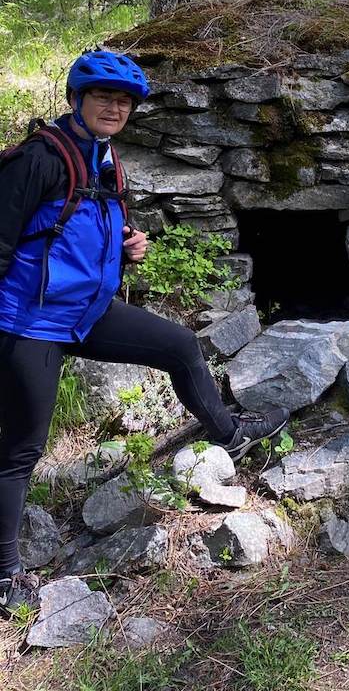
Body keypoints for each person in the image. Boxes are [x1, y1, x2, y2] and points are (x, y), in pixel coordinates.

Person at [0, 50, 289, 616]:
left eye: (124, 101)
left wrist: (127, 247)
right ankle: (4, 574)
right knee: (21, 448)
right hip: (29, 321)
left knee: (180, 346)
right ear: (76, 99)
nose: (114, 107)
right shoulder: (36, 160)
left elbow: (72, 229)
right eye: (103, 96)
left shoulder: (104, 156)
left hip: (85, 312)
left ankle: (229, 434)